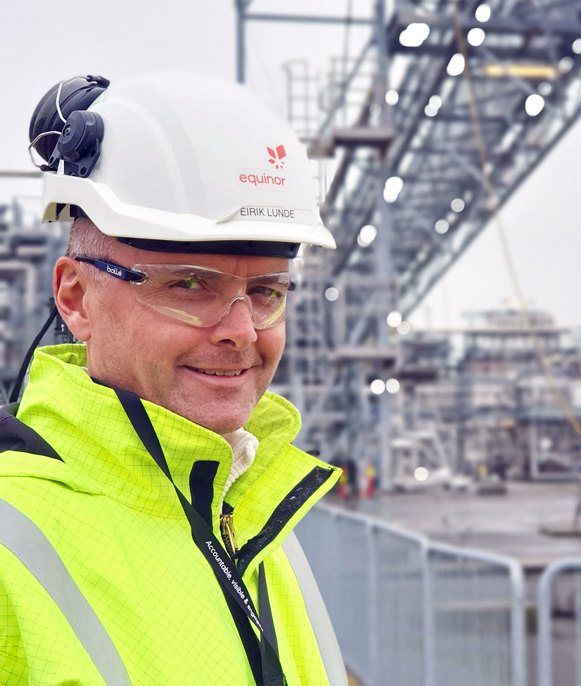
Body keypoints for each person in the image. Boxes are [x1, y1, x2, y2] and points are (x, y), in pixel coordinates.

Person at [1, 72, 347, 685]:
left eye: (266, 292)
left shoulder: (254, 517)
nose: (241, 331)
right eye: (188, 284)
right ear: (76, 299)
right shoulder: (12, 544)